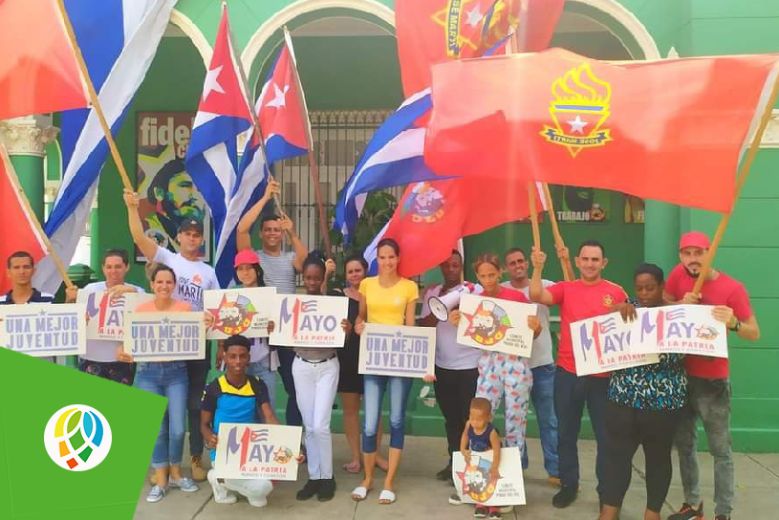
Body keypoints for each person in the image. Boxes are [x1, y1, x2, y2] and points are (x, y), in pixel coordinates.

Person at [530, 240, 633, 509]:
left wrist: (627, 309)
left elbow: (632, 321)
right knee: (566, 433)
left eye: (595, 259)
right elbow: (536, 295)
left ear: (604, 263)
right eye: (585, 259)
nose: (589, 264)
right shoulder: (566, 288)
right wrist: (538, 268)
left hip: (603, 377)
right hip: (568, 373)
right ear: (577, 261)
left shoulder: (616, 291)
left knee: (605, 437)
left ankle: (606, 492)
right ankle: (569, 484)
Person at [125, 188, 219, 482]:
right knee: (163, 410)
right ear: (179, 237)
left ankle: (194, 459)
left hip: (195, 347)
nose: (192, 238)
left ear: (202, 239)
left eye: (197, 235)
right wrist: (132, 208)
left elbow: (215, 311)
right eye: (187, 234)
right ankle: (162, 465)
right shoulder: (167, 258)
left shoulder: (209, 272)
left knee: (193, 405)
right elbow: (140, 239)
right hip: (162, 348)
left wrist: (211, 320)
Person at [664, 232, 760, 520]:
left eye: (698, 252)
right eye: (686, 253)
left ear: (710, 253)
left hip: (713, 382)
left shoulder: (732, 288)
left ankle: (723, 512)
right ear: (680, 256)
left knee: (720, 451)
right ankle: (693, 505)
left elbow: (754, 332)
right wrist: (681, 304)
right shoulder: (677, 277)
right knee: (685, 446)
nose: (692, 259)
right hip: (682, 376)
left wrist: (732, 322)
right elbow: (662, 309)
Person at [450, 253, 541, 512]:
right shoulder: (474, 302)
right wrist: (459, 321)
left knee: (515, 424)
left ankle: (509, 486)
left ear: (499, 272)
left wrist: (535, 328)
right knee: (479, 420)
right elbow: (470, 334)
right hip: (489, 364)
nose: (488, 279)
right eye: (483, 275)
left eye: (492, 274)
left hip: (515, 365)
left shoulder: (516, 299)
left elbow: (530, 336)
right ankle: (476, 484)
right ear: (477, 276)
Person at [600, 264, 687, 520]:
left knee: (658, 459)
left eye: (650, 288)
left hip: (663, 403)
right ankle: (609, 511)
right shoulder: (626, 309)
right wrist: (616, 313)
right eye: (640, 288)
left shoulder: (677, 316)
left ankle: (652, 513)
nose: (645, 293)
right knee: (616, 458)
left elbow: (686, 351)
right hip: (623, 401)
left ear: (661, 287)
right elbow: (602, 338)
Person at [351, 238, 427, 505]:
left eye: (391, 257)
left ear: (398, 258)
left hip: (400, 363)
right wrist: (359, 326)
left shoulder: (409, 287)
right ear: (377, 260)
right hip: (373, 359)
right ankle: (368, 479)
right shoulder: (367, 284)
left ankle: (389, 482)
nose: (386, 262)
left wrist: (422, 363)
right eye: (382, 257)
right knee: (370, 423)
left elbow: (410, 326)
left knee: (396, 420)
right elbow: (362, 317)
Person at [125, 264, 200, 503]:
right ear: (152, 284)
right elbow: (128, 341)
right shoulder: (140, 310)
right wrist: (122, 349)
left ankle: (177, 471)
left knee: (178, 428)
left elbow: (196, 334)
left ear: (174, 285)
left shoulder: (185, 308)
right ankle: (161, 478)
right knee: (157, 430)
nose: (164, 286)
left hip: (176, 373)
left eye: (169, 282)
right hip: (147, 373)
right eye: (159, 282)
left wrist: (205, 322)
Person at [237, 179, 308, 428]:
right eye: (267, 230)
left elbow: (306, 264)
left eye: (276, 230)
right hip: (257, 332)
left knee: (294, 389)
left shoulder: (290, 257)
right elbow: (241, 230)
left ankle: (292, 440)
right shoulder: (253, 258)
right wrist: (266, 196)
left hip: (285, 332)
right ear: (262, 233)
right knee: (250, 389)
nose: (272, 233)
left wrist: (293, 232)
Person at [292, 252, 353, 502]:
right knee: (309, 425)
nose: (312, 281)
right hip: (302, 366)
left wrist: (346, 331)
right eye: (308, 277)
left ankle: (327, 477)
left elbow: (343, 342)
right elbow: (286, 340)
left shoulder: (333, 303)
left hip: (327, 365)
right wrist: (277, 331)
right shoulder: (294, 305)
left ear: (322, 278)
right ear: (303, 278)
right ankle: (314, 477)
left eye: (317, 277)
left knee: (321, 425)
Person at [418, 251, 482, 484]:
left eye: (455, 265)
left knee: (470, 419)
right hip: (442, 366)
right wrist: (439, 311)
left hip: (470, 366)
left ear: (461, 266)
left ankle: (472, 466)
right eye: (446, 265)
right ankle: (454, 463)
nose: (451, 269)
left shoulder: (475, 291)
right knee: (451, 419)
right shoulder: (433, 293)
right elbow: (424, 325)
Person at [502, 247, 560, 486]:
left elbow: (568, 296)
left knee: (550, 420)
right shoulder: (501, 290)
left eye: (520, 261)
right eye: (512, 263)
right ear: (506, 268)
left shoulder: (544, 283)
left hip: (542, 364)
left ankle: (555, 470)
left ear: (526, 263)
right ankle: (518, 467)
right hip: (513, 366)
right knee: (514, 420)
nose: (517, 265)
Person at [201, 334, 279, 508]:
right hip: (224, 450)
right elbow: (204, 424)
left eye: (242, 356)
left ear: (248, 359)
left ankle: (223, 480)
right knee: (262, 488)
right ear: (225, 357)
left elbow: (269, 416)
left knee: (264, 493)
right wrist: (209, 437)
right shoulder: (214, 387)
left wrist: (287, 444)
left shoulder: (257, 384)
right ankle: (216, 477)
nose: (237, 361)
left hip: (250, 449)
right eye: (233, 356)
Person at [337, 254, 388, 474]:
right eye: (350, 271)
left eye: (358, 270)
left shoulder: (377, 294)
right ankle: (356, 457)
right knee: (350, 410)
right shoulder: (339, 297)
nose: (354, 275)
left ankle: (374, 454)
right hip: (347, 358)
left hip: (373, 357)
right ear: (346, 275)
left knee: (374, 411)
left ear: (366, 271)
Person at [74, 248, 144, 384]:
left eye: (118, 266)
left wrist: (132, 291)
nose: (113, 271)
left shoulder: (137, 291)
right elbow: (75, 323)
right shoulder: (90, 289)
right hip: (90, 357)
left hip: (121, 360)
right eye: (109, 267)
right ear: (103, 268)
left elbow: (146, 315)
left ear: (127, 267)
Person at [221, 249, 278, 407]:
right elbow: (222, 328)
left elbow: (281, 329)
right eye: (240, 268)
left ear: (257, 269)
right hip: (237, 363)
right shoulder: (231, 295)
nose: (245, 272)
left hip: (264, 361)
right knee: (240, 410)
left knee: (267, 410)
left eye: (249, 268)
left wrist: (274, 327)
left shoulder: (270, 294)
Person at [2, 251, 69, 363]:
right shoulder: (1, 304)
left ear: (33, 271)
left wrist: (71, 304)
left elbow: (62, 328)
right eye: (16, 267)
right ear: (8, 272)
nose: (22, 271)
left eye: (26, 267)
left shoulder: (48, 300)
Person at [143, 159, 207, 252]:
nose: (195, 196)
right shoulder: (147, 230)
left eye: (201, 188)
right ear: (159, 192)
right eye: (185, 185)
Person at [459, 397, 503, 520]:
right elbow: (465, 436)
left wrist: (494, 466)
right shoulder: (469, 425)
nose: (475, 422)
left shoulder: (491, 432)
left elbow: (497, 450)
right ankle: (480, 504)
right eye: (472, 418)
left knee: (492, 481)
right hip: (477, 459)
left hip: (490, 459)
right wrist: (463, 449)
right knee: (478, 482)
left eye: (479, 419)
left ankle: (494, 507)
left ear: (488, 418)